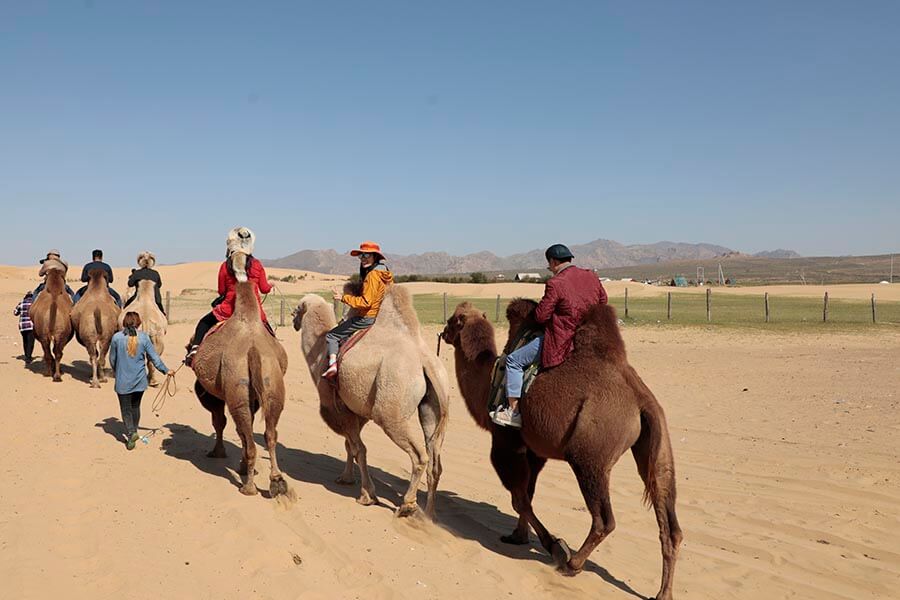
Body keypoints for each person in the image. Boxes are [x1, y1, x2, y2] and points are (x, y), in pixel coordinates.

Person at [491, 243, 608, 428]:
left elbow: (541, 316)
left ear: (553, 262)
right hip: (589, 337)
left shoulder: (556, 283)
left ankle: (513, 412)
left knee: (514, 361)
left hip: (562, 339)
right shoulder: (591, 276)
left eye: (549, 265)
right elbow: (603, 301)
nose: (550, 269)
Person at [186, 227, 272, 365]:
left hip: (228, 311)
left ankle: (194, 350)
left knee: (204, 323)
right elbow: (264, 288)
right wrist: (271, 285)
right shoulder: (257, 264)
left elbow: (221, 291)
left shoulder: (225, 266)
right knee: (271, 336)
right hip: (254, 311)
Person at [322, 241, 394, 379]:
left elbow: (366, 302)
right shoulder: (384, 273)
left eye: (367, 255)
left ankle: (332, 365)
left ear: (375, 257)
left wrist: (343, 298)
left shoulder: (372, 275)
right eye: (361, 256)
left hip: (366, 317)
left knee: (331, 336)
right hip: (380, 316)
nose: (363, 259)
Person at [109, 311, 174, 450]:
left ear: (124, 323)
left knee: (125, 409)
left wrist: (117, 371)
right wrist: (166, 370)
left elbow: (112, 360)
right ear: (138, 323)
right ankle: (134, 431)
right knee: (135, 407)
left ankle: (131, 433)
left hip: (123, 381)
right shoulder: (144, 338)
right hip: (140, 381)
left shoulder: (116, 338)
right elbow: (154, 358)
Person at [124, 251, 166, 315]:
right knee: (160, 309)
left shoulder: (137, 273)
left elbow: (130, 284)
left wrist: (134, 278)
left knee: (126, 308)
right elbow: (159, 285)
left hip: (139, 297)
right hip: (155, 298)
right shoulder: (155, 273)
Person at [13, 291, 35, 363]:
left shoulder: (21, 303)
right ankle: (28, 357)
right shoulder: (34, 303)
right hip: (31, 326)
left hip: (22, 326)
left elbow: (15, 313)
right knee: (30, 342)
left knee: (25, 341)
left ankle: (26, 355)